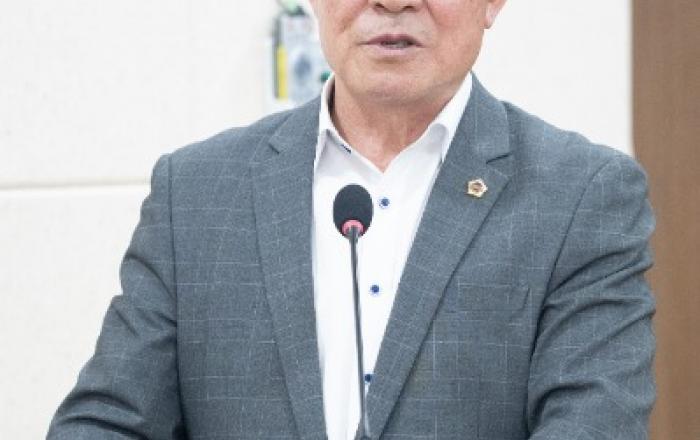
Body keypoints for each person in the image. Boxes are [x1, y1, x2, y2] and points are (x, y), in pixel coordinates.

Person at [48, 0, 656, 439]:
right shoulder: (197, 191)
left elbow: (594, 425)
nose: (392, 3)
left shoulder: (582, 194)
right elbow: (107, 422)